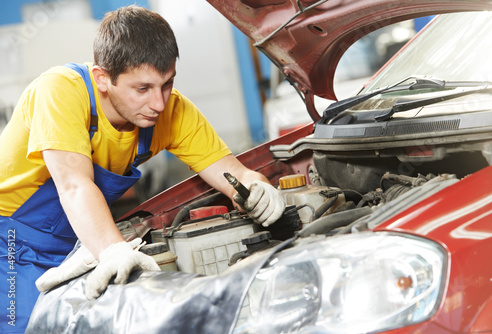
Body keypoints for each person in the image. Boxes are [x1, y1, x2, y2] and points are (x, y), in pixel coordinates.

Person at [0, 5, 285, 333]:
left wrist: (258, 187)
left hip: (81, 239)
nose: (159, 103)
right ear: (102, 78)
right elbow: (74, 185)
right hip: (10, 241)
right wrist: (111, 250)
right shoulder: (60, 91)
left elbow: (234, 174)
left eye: (166, 84)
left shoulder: (172, 112)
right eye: (142, 88)